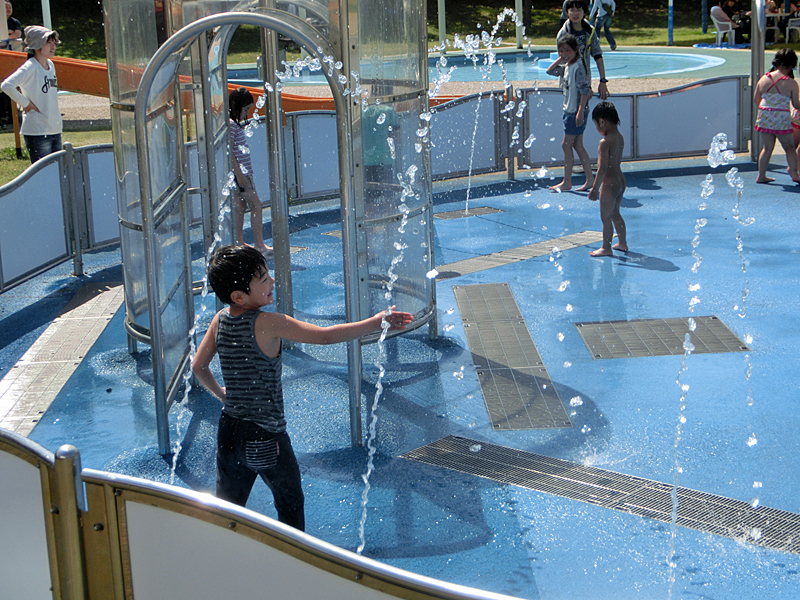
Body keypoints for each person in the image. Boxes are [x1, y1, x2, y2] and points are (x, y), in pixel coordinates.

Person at [192, 244, 413, 530]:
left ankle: (224, 561)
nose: (272, 281)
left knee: (228, 509)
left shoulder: (218, 321)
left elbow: (198, 367)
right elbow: (324, 338)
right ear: (238, 295)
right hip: (265, 434)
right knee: (289, 504)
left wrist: (224, 396)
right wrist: (373, 322)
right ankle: (294, 562)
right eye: (263, 279)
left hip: (230, 430)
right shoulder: (269, 323)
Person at [0, 26, 62, 163]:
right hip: (37, 130)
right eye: (48, 43)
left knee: (58, 173)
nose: (53, 47)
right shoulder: (31, 66)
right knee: (44, 174)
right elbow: (6, 85)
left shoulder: (51, 65)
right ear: (37, 45)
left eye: (54, 43)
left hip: (54, 128)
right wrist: (26, 104)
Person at [546, 34, 594, 193]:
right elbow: (550, 71)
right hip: (569, 111)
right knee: (578, 145)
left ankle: (567, 181)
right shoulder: (568, 67)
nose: (564, 54)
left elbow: (584, 90)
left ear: (575, 50)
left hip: (575, 111)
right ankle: (590, 179)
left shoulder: (578, 67)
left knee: (566, 145)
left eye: (567, 50)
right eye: (561, 51)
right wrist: (561, 59)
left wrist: (580, 111)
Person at [228, 87, 272, 256]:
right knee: (257, 206)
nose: (245, 113)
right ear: (236, 106)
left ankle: (239, 242)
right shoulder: (232, 125)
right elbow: (229, 150)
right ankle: (259, 244)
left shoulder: (231, 124)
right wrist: (240, 175)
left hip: (240, 173)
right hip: (241, 174)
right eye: (245, 110)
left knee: (240, 206)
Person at [753, 48, 800, 184]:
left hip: (765, 116)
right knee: (789, 147)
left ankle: (761, 175)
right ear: (792, 65)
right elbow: (796, 104)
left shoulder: (764, 79)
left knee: (767, 148)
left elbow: (757, 99)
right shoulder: (790, 83)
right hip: (781, 117)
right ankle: (793, 172)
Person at [587, 102, 627, 256]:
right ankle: (622, 243)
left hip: (609, 183)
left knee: (606, 217)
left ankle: (606, 247)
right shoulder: (619, 137)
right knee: (616, 213)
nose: (597, 129)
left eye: (596, 125)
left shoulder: (604, 142)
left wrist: (595, 188)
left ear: (602, 121)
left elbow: (602, 168)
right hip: (620, 181)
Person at [557, 0, 610, 100]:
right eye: (572, 10)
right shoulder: (563, 34)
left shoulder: (589, 31)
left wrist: (602, 81)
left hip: (585, 79)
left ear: (584, 12)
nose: (575, 14)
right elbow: (563, 61)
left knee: (584, 111)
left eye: (578, 10)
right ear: (567, 12)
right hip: (569, 81)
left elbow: (597, 55)